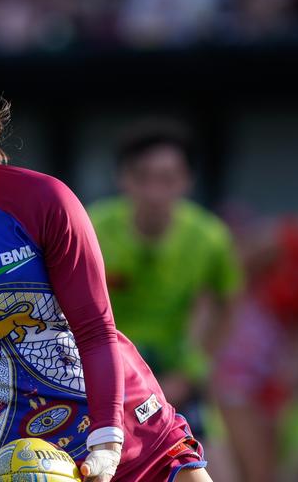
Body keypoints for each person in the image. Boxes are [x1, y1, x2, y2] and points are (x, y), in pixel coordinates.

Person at [0, 54, 213, 482]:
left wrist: (106, 440)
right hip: (34, 468)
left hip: (135, 433)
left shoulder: (42, 201)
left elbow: (95, 328)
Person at [88, 120, 243, 438]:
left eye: (168, 178)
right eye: (144, 178)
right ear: (124, 179)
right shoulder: (90, 228)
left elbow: (229, 305)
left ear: (186, 181)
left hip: (176, 381)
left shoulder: (210, 237)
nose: (155, 192)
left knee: (214, 466)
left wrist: (193, 370)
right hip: (104, 381)